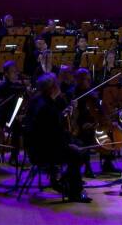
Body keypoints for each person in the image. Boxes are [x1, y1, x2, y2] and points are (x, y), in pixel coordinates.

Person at [23, 73, 90, 202]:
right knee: (77, 154)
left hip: (35, 147)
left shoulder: (37, 100)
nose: (59, 88)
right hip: (44, 151)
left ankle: (64, 181)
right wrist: (68, 145)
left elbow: (52, 130)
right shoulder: (48, 108)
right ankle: (74, 191)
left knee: (79, 146)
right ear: (52, 88)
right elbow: (53, 136)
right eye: (57, 85)